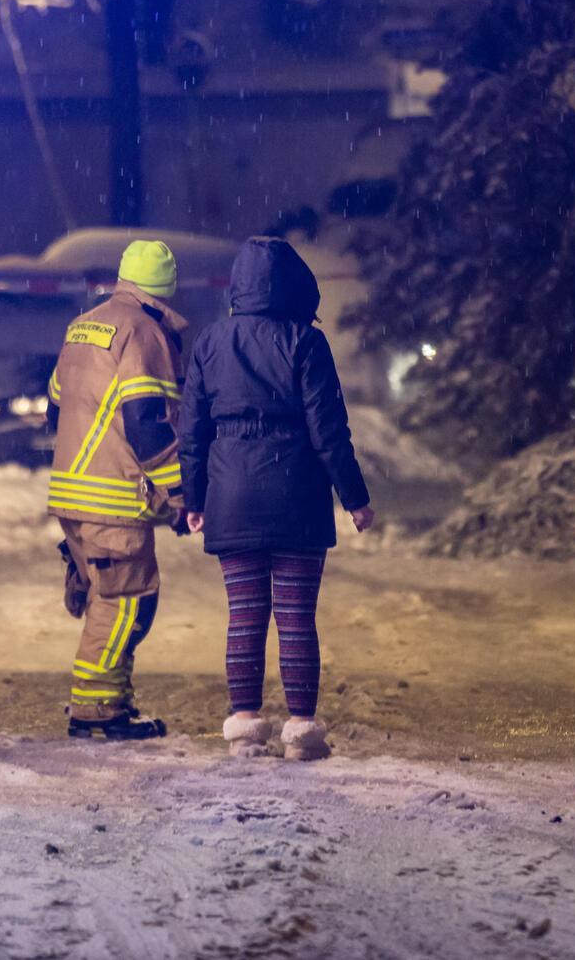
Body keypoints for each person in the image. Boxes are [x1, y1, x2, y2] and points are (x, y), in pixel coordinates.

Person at [179, 237, 373, 760]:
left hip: (232, 496)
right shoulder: (306, 343)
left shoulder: (210, 343)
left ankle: (244, 725)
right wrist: (354, 497)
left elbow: (192, 431)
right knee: (295, 617)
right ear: (296, 287)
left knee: (244, 615)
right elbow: (329, 429)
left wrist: (194, 497)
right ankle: (302, 730)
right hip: (297, 499)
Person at [45, 239, 189, 740]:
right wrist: (181, 494)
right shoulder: (144, 333)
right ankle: (98, 709)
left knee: (112, 597)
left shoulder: (86, 325)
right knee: (127, 602)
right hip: (112, 496)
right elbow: (149, 425)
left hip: (72, 491)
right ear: (165, 291)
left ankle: (108, 701)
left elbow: (55, 407)